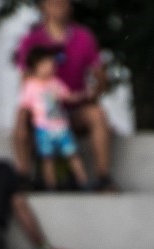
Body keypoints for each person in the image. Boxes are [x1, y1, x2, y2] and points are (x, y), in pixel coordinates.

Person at [12, 0, 114, 190]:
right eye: (53, 3)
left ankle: (103, 177)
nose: (58, 7)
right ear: (43, 7)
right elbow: (25, 82)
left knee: (97, 114)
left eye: (62, 3)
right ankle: (23, 175)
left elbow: (99, 76)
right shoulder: (31, 40)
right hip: (43, 111)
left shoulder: (84, 38)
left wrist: (96, 88)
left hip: (72, 109)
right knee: (21, 115)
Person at [18, 46, 91, 191]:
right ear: (35, 67)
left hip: (61, 126)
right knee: (47, 158)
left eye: (51, 65)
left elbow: (67, 96)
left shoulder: (55, 83)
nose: (49, 68)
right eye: (45, 65)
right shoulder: (30, 85)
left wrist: (83, 95)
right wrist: (23, 125)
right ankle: (51, 185)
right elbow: (24, 107)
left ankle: (84, 182)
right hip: (43, 128)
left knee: (72, 153)